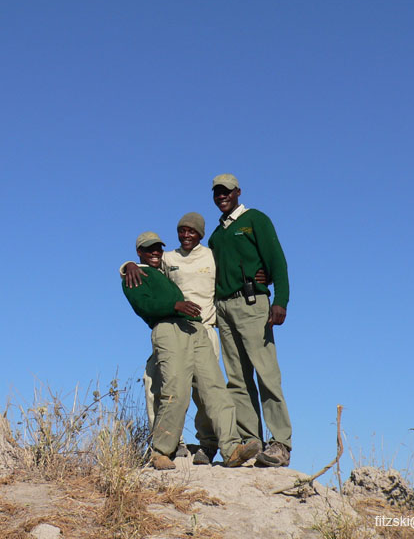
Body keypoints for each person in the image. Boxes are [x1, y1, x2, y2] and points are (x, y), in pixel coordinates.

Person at [123, 213, 269, 465]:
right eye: (148, 250)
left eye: (158, 247)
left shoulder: (167, 267)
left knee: (214, 390)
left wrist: (264, 274)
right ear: (139, 252)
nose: (155, 252)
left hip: (197, 328)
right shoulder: (136, 276)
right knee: (175, 391)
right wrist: (174, 303)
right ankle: (161, 450)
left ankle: (231, 447)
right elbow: (144, 306)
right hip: (169, 329)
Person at [209, 173, 292, 467]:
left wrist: (280, 300)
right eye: (217, 192)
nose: (222, 196)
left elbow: (277, 260)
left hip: (252, 302)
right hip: (224, 308)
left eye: (227, 191)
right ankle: (251, 442)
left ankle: (280, 442)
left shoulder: (254, 219)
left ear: (238, 192)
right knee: (237, 378)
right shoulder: (216, 236)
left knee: (266, 372)